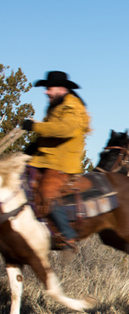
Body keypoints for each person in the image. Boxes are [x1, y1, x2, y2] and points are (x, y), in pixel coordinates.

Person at [20, 70, 92, 249]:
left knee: (47, 194)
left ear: (61, 89)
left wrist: (35, 126)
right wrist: (31, 149)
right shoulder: (56, 106)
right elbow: (50, 131)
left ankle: (68, 236)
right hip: (44, 159)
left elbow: (64, 129)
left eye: (49, 88)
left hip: (61, 162)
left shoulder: (72, 107)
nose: (46, 91)